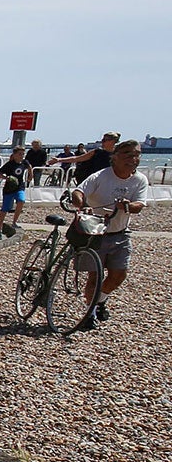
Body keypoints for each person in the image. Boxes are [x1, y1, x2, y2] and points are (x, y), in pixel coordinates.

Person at [70, 139, 149, 329]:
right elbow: (78, 192)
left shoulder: (140, 180)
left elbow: (139, 205)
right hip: (95, 232)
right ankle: (90, 313)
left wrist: (128, 206)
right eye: (128, 154)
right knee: (94, 277)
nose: (133, 158)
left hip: (120, 233)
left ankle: (100, 300)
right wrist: (83, 206)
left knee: (118, 275)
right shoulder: (101, 176)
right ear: (115, 157)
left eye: (136, 154)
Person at [0, 145, 28, 238]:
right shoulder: (9, 164)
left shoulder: (24, 163)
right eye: (19, 154)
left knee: (21, 200)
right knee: (5, 209)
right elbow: (0, 174)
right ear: (14, 155)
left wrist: (30, 176)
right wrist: (7, 177)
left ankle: (14, 222)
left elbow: (29, 167)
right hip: (9, 189)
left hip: (19, 187)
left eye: (23, 154)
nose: (21, 156)